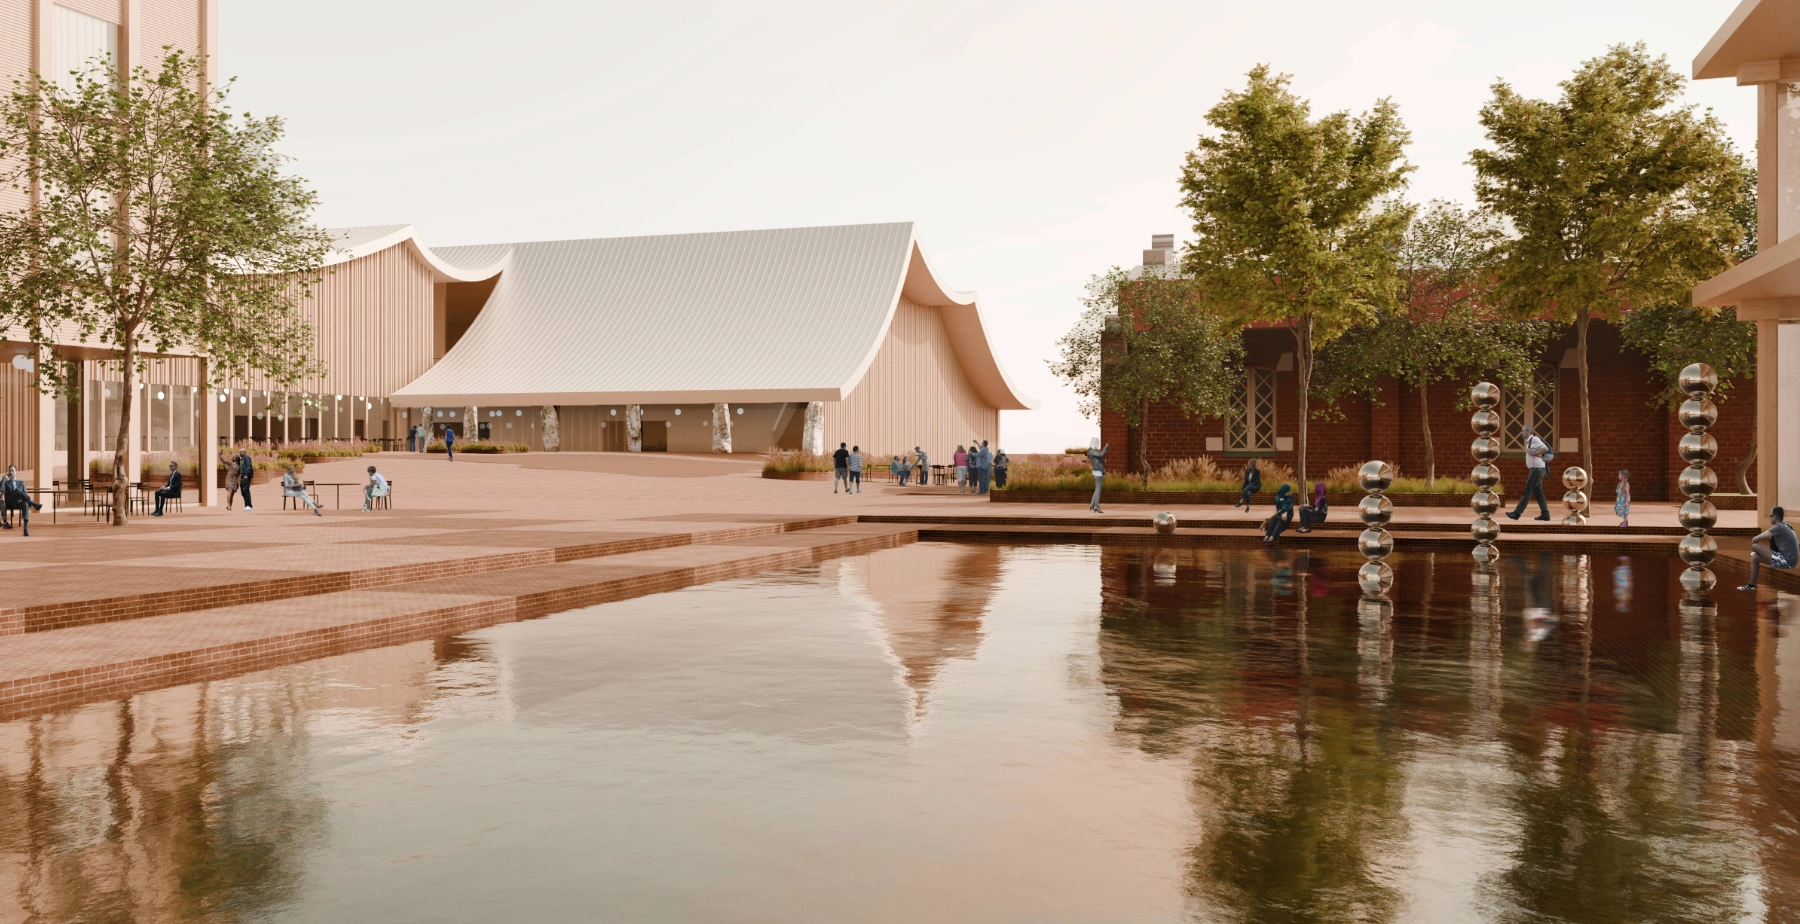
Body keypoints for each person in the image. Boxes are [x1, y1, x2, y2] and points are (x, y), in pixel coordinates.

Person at [1738, 507, 1798, 591]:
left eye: (1770, 515)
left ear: (1775, 517)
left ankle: (1758, 554)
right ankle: (1751, 585)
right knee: (1755, 557)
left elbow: (1755, 539)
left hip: (1787, 561)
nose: (1769, 518)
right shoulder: (1786, 525)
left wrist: (1761, 551)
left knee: (1755, 546)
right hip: (1789, 560)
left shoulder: (1778, 527)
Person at [1505, 424, 1552, 521]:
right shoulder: (1529, 441)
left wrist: (1534, 453)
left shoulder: (1534, 439)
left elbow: (1545, 449)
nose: (1521, 433)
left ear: (1528, 432)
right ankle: (1545, 514)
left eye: (1522, 431)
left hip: (1537, 469)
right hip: (1537, 469)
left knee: (1527, 491)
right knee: (1538, 493)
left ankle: (1516, 513)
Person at [2, 464, 44, 536]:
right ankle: (34, 504)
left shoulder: (21, 483)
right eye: (10, 471)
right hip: (11, 502)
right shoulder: (6, 483)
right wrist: (4, 478)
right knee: (17, 490)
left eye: (13, 471)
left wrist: (22, 499)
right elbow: (1, 489)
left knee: (25, 503)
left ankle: (26, 530)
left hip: (20, 502)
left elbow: (25, 494)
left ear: (16, 472)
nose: (11, 472)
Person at [1087, 438, 1109, 513]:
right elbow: (1101, 454)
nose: (1098, 444)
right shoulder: (1092, 451)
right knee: (1098, 490)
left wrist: (1103, 461)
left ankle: (1092, 505)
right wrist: (1105, 447)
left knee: (1097, 490)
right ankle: (1096, 506)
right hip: (1098, 472)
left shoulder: (1093, 451)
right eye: (1097, 442)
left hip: (1098, 471)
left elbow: (1100, 457)